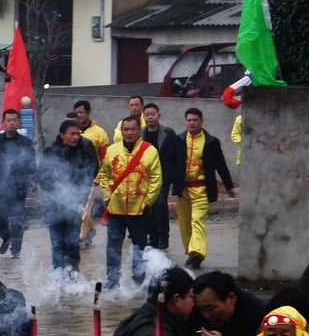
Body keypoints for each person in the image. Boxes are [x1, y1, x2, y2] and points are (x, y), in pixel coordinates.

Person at [99, 116, 161, 290]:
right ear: (121, 131)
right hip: (115, 207)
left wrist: (147, 201)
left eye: (133, 129)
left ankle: (138, 281)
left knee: (139, 245)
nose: (129, 133)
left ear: (138, 129)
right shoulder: (112, 150)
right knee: (113, 245)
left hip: (139, 208)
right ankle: (112, 280)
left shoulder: (150, 151)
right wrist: (107, 196)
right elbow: (104, 175)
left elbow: (156, 179)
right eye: (125, 129)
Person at [172, 108, 234, 270]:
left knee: (197, 220)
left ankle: (198, 253)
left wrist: (228, 186)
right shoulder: (178, 140)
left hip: (202, 189)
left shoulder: (211, 142)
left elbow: (221, 165)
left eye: (195, 120)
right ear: (185, 121)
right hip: (183, 190)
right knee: (185, 223)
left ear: (201, 121)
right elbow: (170, 163)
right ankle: (191, 253)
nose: (192, 123)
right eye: (189, 120)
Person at [41, 120, 98, 277]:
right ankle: (58, 275)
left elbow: (90, 173)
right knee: (57, 244)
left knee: (73, 243)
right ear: (62, 135)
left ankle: (74, 273)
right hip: (55, 206)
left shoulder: (83, 153)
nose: (75, 137)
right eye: (72, 134)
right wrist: (58, 190)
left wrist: (81, 194)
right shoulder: (51, 153)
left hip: (75, 205)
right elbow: (43, 177)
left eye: (78, 134)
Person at [0, 109, 35, 259]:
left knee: (18, 219)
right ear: (3, 122)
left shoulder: (26, 142)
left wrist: (31, 182)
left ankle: (16, 250)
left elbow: (31, 164)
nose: (11, 123)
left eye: (14, 120)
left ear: (18, 122)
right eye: (8, 120)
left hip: (19, 186)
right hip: (1, 186)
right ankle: (6, 236)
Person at [140, 103, 182, 250]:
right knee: (147, 206)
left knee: (160, 205)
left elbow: (175, 156)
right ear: (143, 117)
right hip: (144, 177)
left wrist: (171, 175)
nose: (150, 117)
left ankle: (164, 236)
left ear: (159, 115)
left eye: (153, 114)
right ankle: (152, 237)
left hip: (162, 176)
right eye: (147, 115)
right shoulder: (140, 134)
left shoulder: (168, 134)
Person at [73, 100, 110, 244]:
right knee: (78, 207)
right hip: (75, 177)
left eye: (81, 112)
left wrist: (100, 177)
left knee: (86, 207)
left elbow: (104, 158)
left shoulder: (99, 133)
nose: (79, 115)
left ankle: (82, 236)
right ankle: (87, 230)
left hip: (92, 178)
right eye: (76, 113)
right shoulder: (72, 131)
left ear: (88, 113)